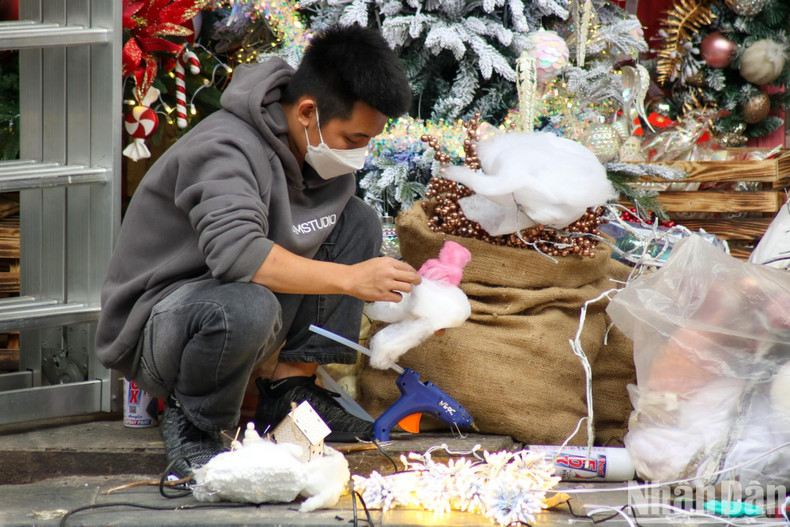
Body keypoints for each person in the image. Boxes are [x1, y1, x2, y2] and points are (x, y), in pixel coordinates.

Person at [96, 25, 421, 477]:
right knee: (246, 304)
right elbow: (239, 256)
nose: (359, 155)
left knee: (358, 221)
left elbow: (322, 242)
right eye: (354, 140)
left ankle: (289, 391)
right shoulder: (224, 148)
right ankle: (194, 421)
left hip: (244, 306)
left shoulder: (313, 152)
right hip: (164, 323)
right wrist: (351, 279)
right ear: (308, 112)